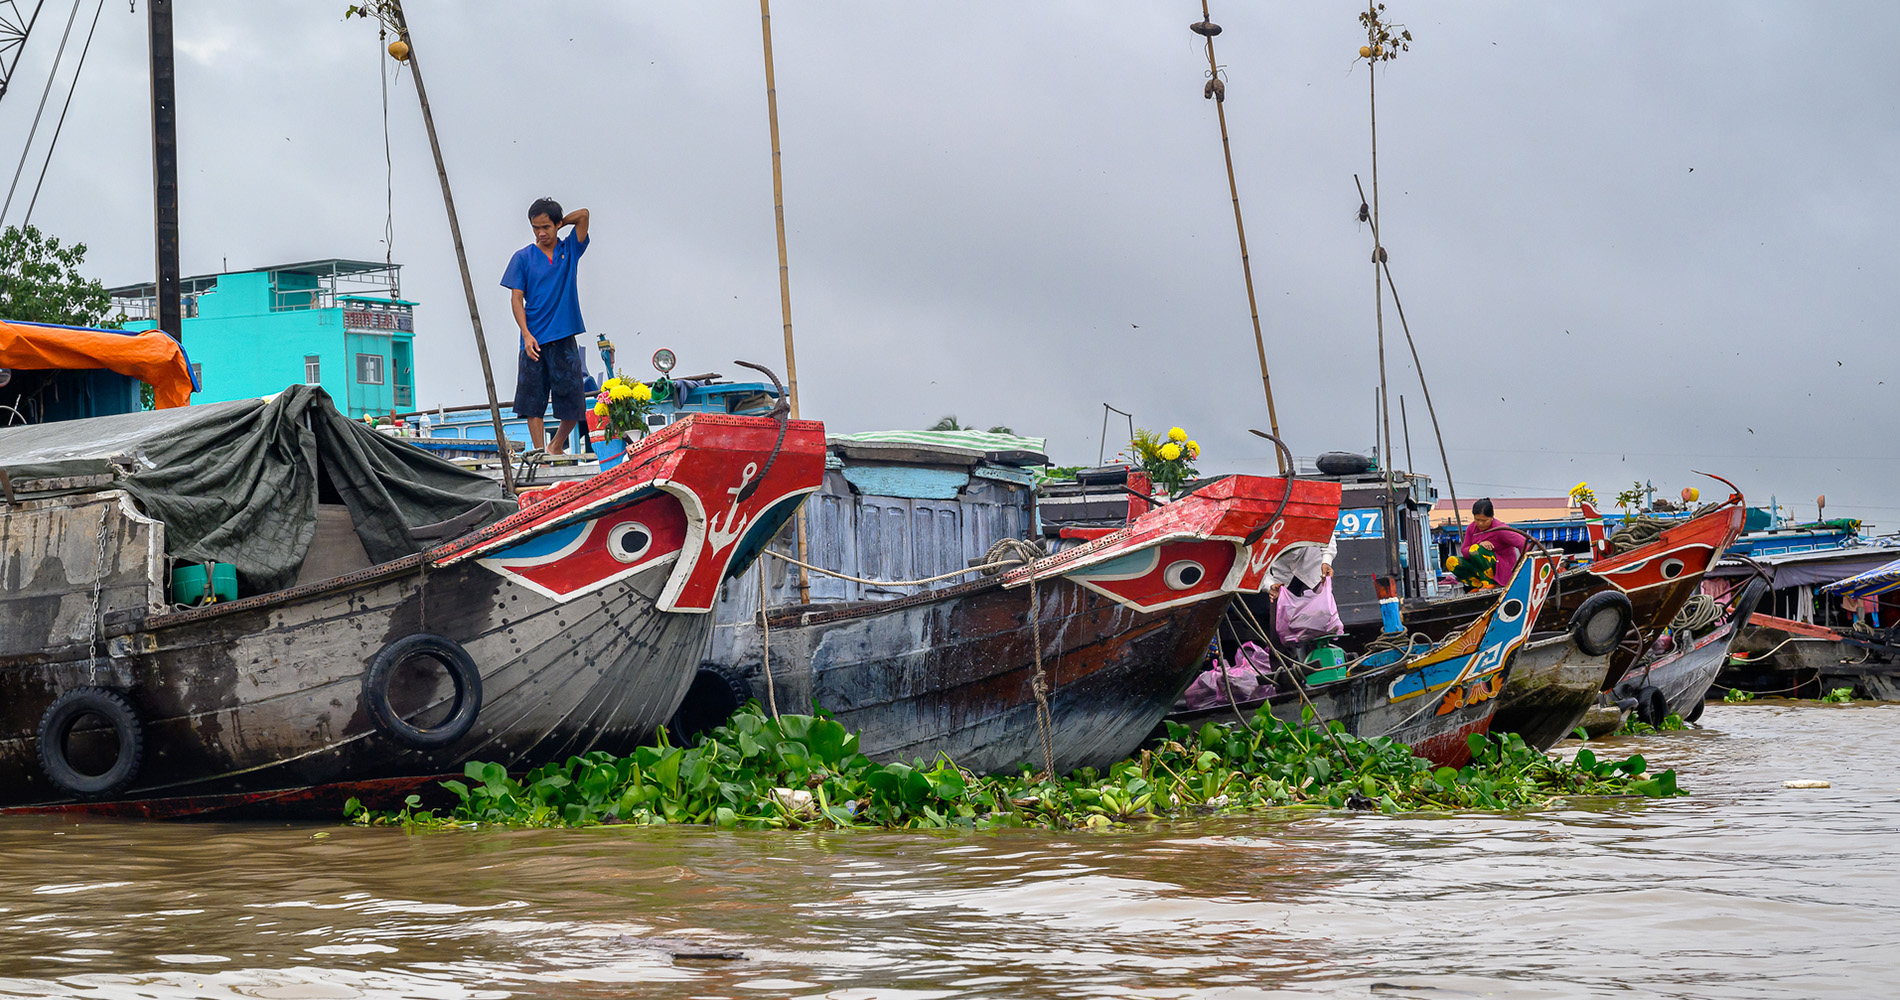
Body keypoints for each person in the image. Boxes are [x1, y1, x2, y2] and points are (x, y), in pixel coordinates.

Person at [501, 197, 590, 454]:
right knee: (532, 402)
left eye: (546, 227)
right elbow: (516, 298)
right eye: (535, 228)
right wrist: (526, 335)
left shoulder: (570, 249)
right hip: (534, 339)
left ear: (556, 225)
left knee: (574, 401)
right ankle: (540, 452)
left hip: (564, 335)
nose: (541, 233)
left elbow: (583, 215)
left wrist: (561, 224)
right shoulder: (523, 258)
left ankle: (556, 445)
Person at [1456, 498, 1528, 589]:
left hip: (1502, 570)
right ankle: (1477, 584)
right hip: (1480, 570)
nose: (1480, 524)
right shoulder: (1471, 528)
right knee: (1452, 562)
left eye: (1484, 520)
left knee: (1475, 549)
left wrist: (1523, 567)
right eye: (1477, 520)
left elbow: (1523, 542)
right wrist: (1480, 544)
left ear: (1492, 517)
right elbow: (1464, 552)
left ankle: (1489, 583)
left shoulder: (1500, 529)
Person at [1267, 531, 1336, 600]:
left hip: (1313, 568)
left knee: (1318, 607)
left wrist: (1326, 561)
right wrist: (1269, 584)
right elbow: (1257, 562)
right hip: (1281, 574)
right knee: (1280, 605)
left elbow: (1327, 532)